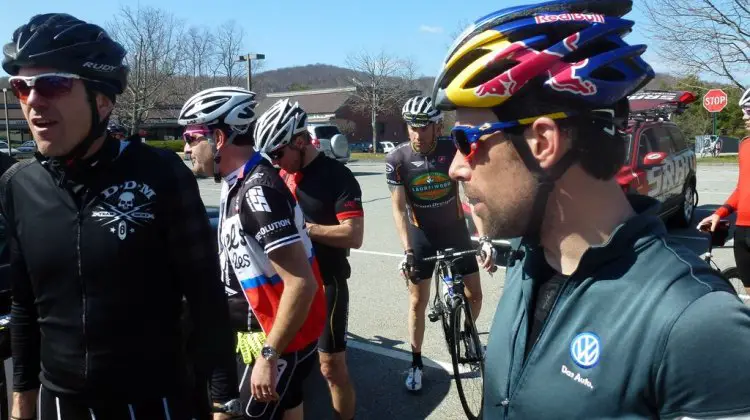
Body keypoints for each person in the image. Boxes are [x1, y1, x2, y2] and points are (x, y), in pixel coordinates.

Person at [432, 0, 750, 417]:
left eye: (465, 141)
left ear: (543, 143)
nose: (455, 167)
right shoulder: (529, 263)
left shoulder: (697, 323)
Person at [0, 13, 239, 420]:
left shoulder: (162, 176)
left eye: (54, 83)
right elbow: (25, 304)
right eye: (21, 87)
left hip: (154, 401)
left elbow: (205, 298)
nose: (34, 101)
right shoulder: (18, 185)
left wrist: (223, 401)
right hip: (59, 402)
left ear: (103, 100)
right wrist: (22, 398)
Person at [179, 87, 327, 420]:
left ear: (218, 138)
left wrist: (268, 355)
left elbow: (301, 284)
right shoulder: (237, 181)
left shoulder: (257, 192)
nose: (186, 147)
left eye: (190, 136)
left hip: (272, 336)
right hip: (253, 328)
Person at [254, 99, 364, 420]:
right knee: (291, 369)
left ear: (299, 142)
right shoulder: (281, 174)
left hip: (326, 283)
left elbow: (353, 235)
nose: (275, 162)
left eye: (277, 153)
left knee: (330, 367)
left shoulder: (337, 176)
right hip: (290, 287)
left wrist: (306, 229)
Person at [386, 95, 494, 392]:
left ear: (437, 127)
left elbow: (473, 195)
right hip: (421, 234)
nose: (416, 135)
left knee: (475, 295)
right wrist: (407, 251)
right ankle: (416, 361)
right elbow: (398, 208)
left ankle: (466, 336)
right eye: (412, 127)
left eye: (423, 128)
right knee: (417, 301)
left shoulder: (452, 148)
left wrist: (484, 238)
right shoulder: (397, 159)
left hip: (455, 229)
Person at [699, 87, 750, 298]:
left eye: (748, 109)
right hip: (743, 231)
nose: (743, 115)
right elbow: (741, 188)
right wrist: (719, 213)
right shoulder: (745, 145)